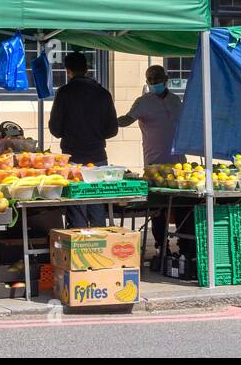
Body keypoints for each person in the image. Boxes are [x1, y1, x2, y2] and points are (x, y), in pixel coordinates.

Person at [117, 65, 184, 251]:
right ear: (147, 82)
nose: (154, 82)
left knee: (182, 206)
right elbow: (126, 120)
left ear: (166, 77)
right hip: (155, 164)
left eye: (157, 78)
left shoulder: (175, 100)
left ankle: (184, 243)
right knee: (159, 209)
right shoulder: (143, 102)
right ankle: (162, 245)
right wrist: (107, 123)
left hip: (179, 163)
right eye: (150, 80)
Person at [48, 52, 117, 227]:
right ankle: (100, 246)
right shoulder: (103, 94)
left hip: (73, 157)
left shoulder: (64, 93)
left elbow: (55, 128)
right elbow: (112, 129)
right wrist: (95, 134)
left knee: (77, 203)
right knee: (97, 202)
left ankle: (79, 248)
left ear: (67, 70)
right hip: (98, 156)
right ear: (87, 69)